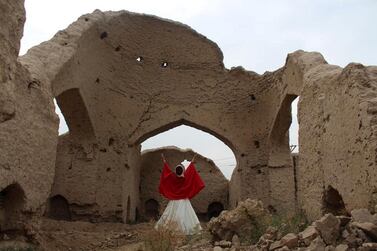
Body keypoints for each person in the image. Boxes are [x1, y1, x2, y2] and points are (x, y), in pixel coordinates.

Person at [155, 153, 205, 235]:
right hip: (184, 201)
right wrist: (192, 161)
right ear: (182, 170)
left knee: (171, 215)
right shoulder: (185, 177)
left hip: (174, 201)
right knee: (186, 216)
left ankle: (172, 229)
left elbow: (166, 172)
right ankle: (184, 231)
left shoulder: (173, 177)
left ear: (176, 171)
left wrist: (164, 161)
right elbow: (190, 170)